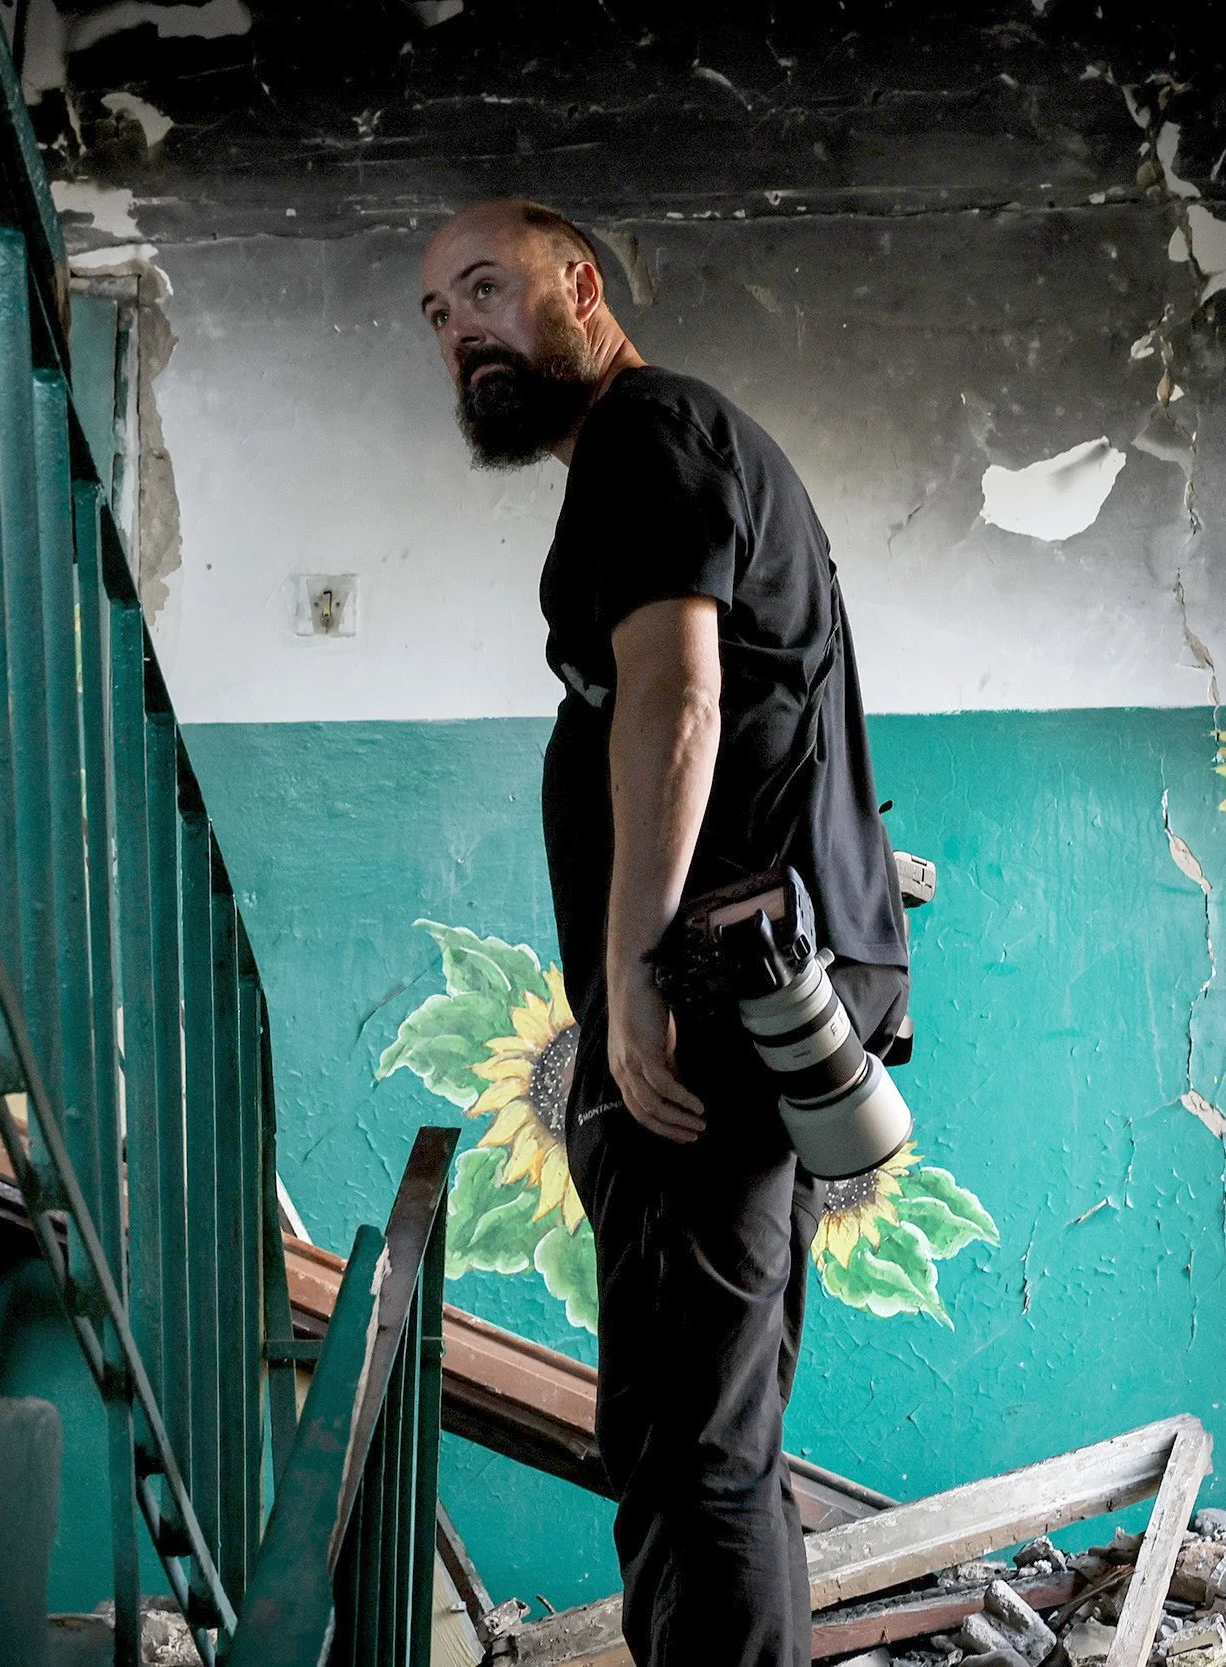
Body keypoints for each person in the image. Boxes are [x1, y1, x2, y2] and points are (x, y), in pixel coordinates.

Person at [418, 199, 912, 1667]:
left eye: (487, 288)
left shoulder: (648, 432)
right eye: (438, 315)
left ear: (581, 287)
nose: (460, 332)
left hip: (704, 1002)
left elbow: (682, 695)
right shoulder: (682, 448)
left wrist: (632, 972)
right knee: (711, 1437)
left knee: (688, 1446)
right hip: (747, 1001)